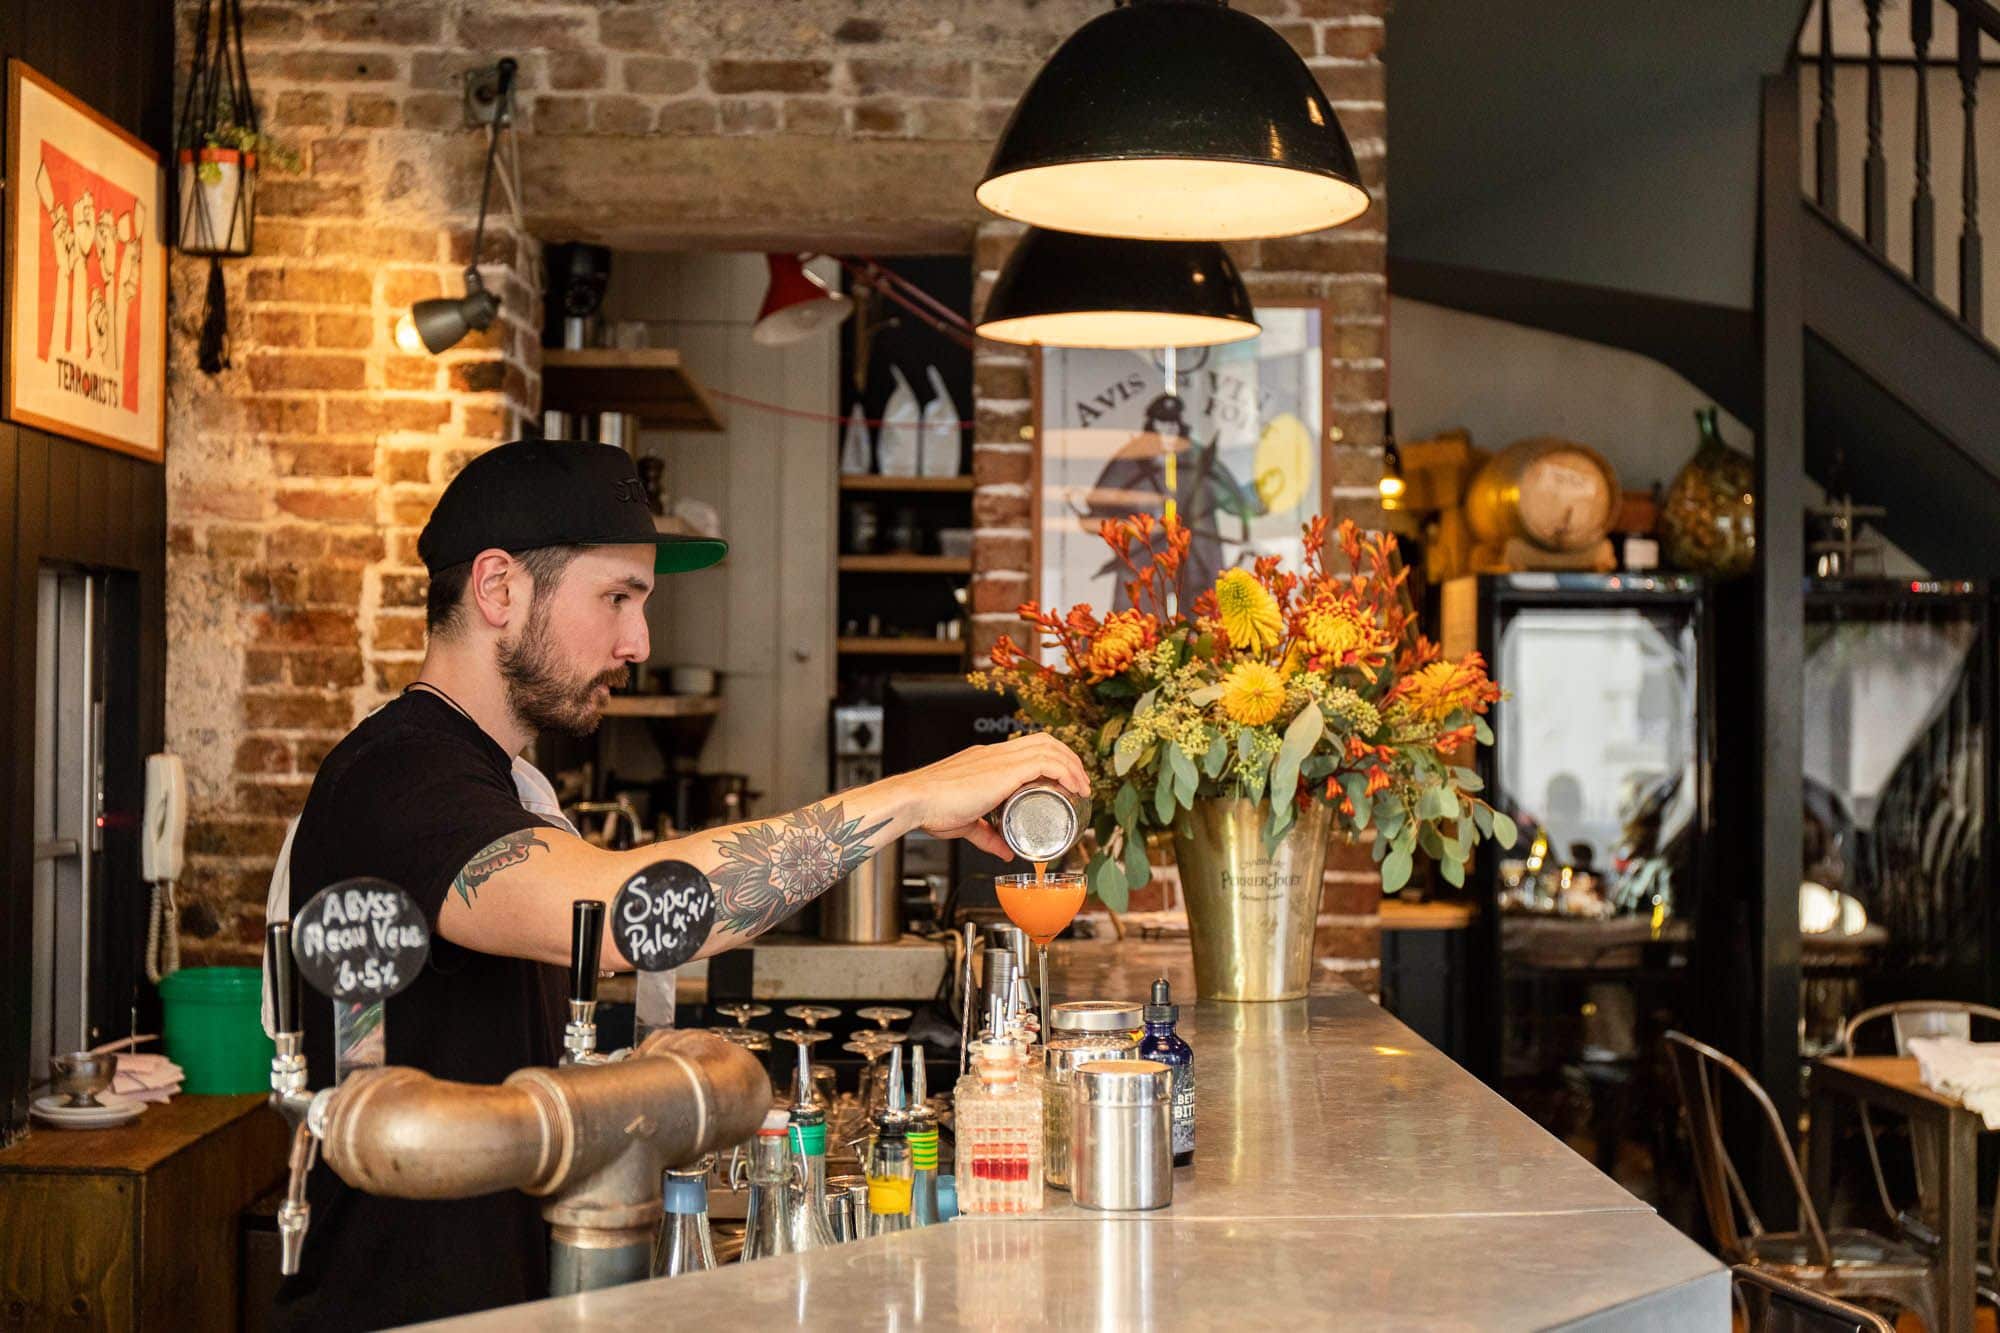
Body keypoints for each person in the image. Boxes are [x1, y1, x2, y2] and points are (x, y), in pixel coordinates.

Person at [270, 439, 1088, 1329]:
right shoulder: (400, 778)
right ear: (498, 588)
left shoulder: (502, 782)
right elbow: (624, 915)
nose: (639, 642)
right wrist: (912, 797)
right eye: (616, 597)